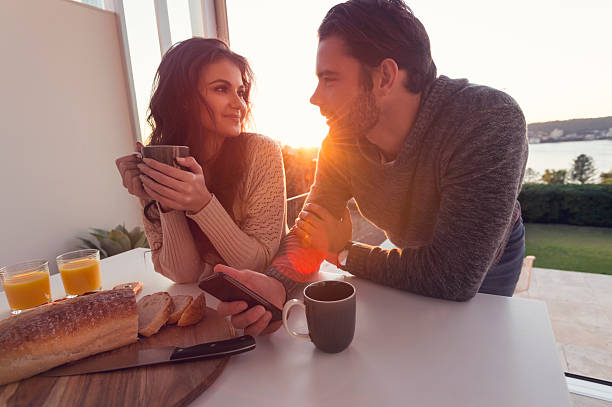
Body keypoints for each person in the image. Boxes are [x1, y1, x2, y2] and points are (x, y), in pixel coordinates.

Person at [215, 0, 528, 336]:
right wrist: (276, 287)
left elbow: (453, 276)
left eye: (330, 79)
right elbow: (312, 231)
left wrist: (343, 253)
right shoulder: (341, 141)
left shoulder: (487, 121)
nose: (315, 98)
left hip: (487, 260)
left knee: (471, 349)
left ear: (385, 77)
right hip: (412, 249)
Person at [115, 38, 287, 286]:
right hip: (205, 305)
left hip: (269, 307)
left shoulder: (262, 153)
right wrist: (166, 199)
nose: (239, 104)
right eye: (220, 89)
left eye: (240, 91)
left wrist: (202, 204)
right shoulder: (159, 163)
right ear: (184, 99)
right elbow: (183, 275)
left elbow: (258, 266)